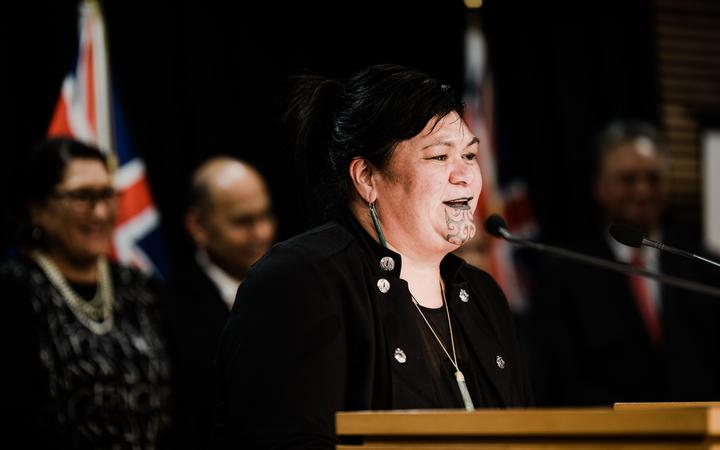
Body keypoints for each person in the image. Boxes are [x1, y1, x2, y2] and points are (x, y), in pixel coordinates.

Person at [209, 64, 533, 449]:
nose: (465, 176)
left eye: (469, 155)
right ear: (366, 177)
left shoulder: (482, 296)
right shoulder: (300, 280)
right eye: (439, 157)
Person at [530, 119, 720, 406]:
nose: (642, 191)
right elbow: (558, 379)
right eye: (628, 179)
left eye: (653, 178)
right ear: (600, 188)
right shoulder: (566, 272)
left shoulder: (703, 267)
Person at [0, 138, 173, 449]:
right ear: (38, 208)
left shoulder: (141, 287)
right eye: (82, 196)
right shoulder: (15, 290)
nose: (101, 211)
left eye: (108, 195)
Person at [165, 156, 276, 450]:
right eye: (243, 222)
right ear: (198, 226)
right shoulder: (168, 307)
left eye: (265, 216)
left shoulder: (297, 288)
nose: (261, 233)